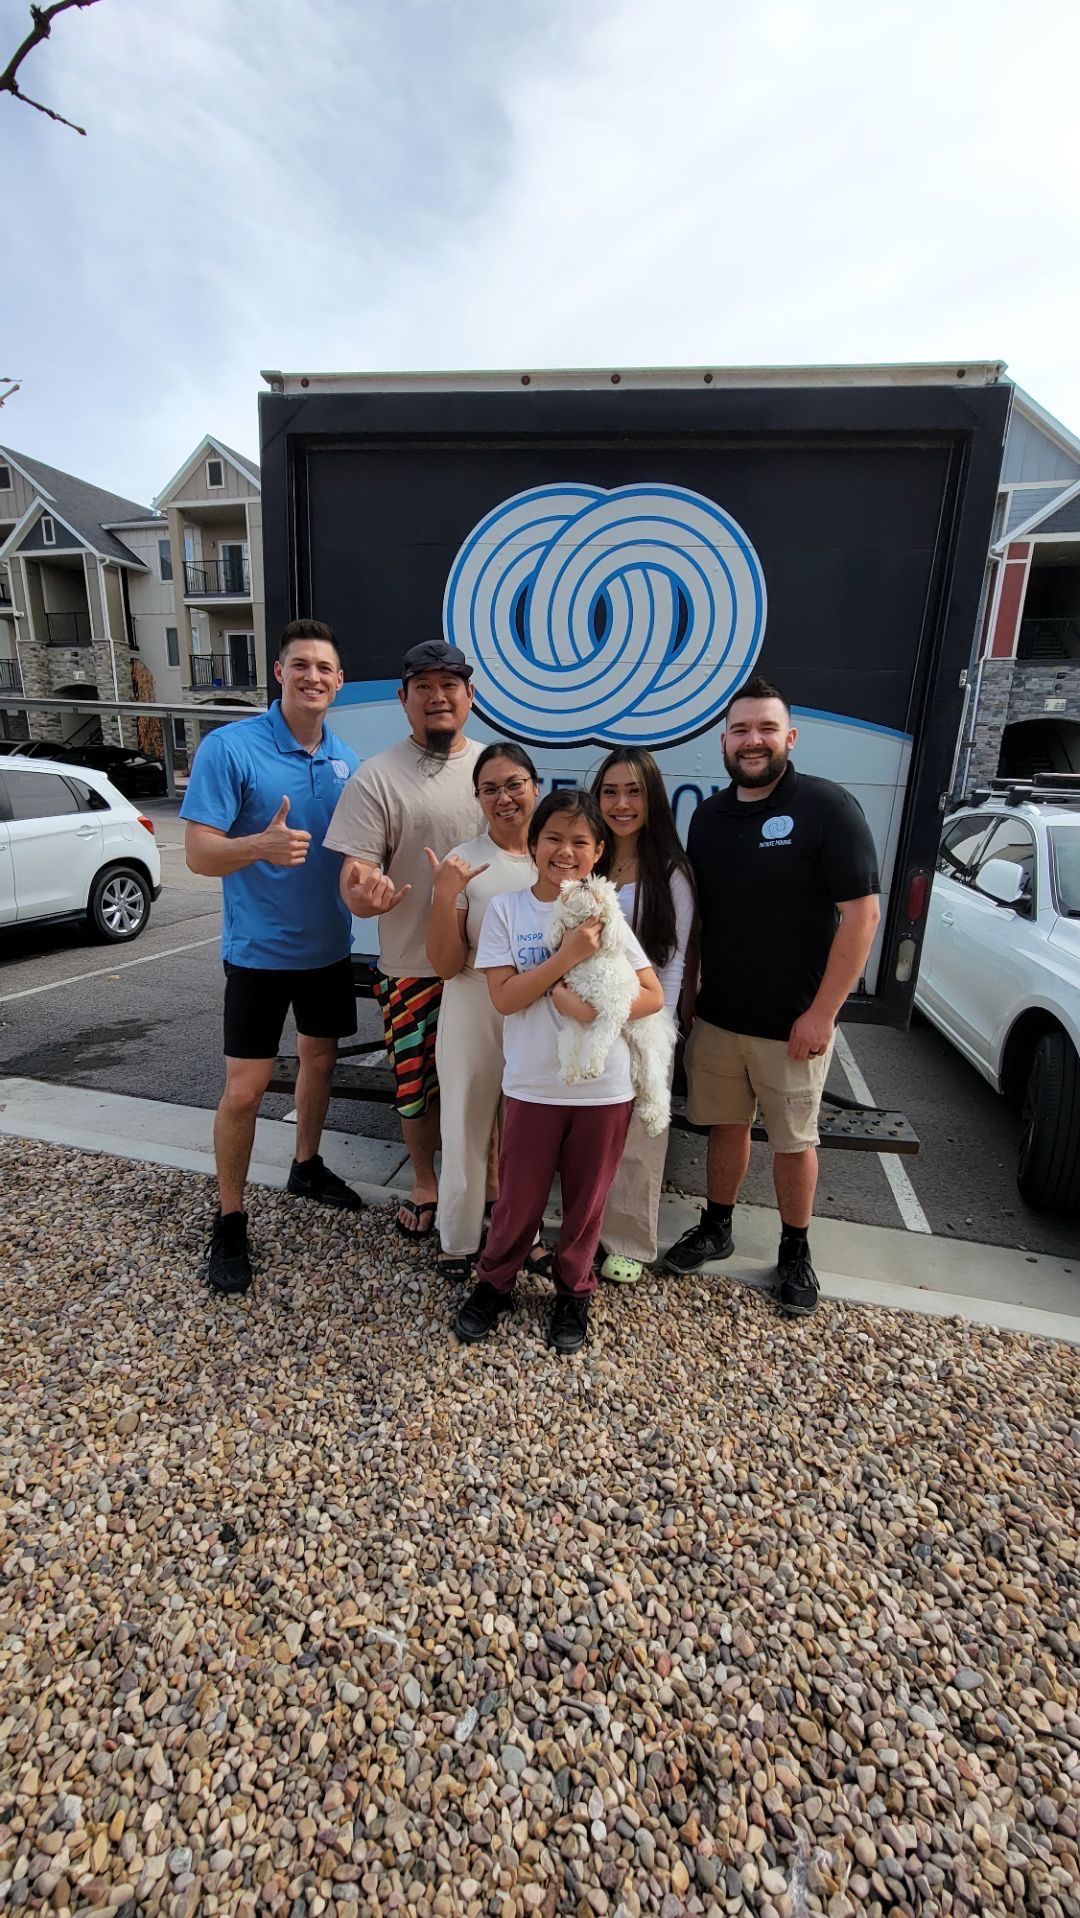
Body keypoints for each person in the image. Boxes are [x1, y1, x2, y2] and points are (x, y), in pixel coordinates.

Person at [661, 676, 881, 1317]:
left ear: (789, 737)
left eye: (765, 729)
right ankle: (717, 1225)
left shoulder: (827, 808)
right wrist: (690, 990)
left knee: (793, 1141)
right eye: (739, 730)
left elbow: (861, 917)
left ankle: (795, 1249)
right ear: (723, 741)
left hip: (795, 1024)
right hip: (721, 1017)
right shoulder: (707, 816)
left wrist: (823, 1013)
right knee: (726, 1128)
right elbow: (696, 914)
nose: (751, 741)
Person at [182, 619, 362, 1298]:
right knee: (245, 1091)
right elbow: (199, 853)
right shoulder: (231, 748)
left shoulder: (346, 758)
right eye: (301, 665)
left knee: (320, 1060)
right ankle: (230, 1217)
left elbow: (356, 854)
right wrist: (258, 845)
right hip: (257, 954)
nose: (313, 676)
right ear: (279, 673)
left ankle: (306, 1164)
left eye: (325, 667)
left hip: (327, 950)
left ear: (338, 682)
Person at [454, 789, 664, 1355]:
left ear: (598, 850)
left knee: (586, 1203)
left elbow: (653, 995)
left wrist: (594, 1010)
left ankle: (574, 1290)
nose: (565, 851)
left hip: (604, 1089)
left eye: (579, 841)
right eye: (553, 838)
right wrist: (567, 957)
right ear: (533, 844)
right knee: (517, 1202)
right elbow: (504, 998)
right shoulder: (507, 910)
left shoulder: (609, 913)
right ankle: (495, 1282)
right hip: (532, 1086)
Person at [323, 640, 482, 1238]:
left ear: (470, 696)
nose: (437, 697)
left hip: (489, 970)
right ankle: (425, 1182)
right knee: (415, 1083)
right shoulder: (376, 777)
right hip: (411, 966)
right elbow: (354, 876)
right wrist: (364, 895)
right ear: (404, 700)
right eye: (424, 687)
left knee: (489, 1083)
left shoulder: (497, 772)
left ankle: (486, 1185)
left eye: (450, 685)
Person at [425, 741, 543, 1284]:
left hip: (538, 1008)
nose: (504, 797)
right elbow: (446, 965)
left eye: (514, 784)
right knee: (466, 1124)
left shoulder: (557, 856)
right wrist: (443, 896)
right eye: (490, 788)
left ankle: (525, 1236)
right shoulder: (463, 861)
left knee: (529, 1133)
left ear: (536, 786)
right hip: (473, 1000)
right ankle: (458, 1239)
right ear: (477, 798)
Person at [591, 748, 697, 1283]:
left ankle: (628, 1239)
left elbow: (672, 964)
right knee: (586, 1130)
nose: (621, 803)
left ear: (652, 798)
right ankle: (581, 1229)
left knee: (638, 1135)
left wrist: (660, 1033)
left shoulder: (671, 874)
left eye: (633, 791)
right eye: (610, 791)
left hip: (645, 1019)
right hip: (584, 1013)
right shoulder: (585, 857)